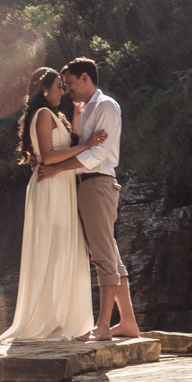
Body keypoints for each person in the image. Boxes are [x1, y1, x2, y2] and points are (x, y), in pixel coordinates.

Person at [0, 67, 108, 342]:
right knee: (52, 248)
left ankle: (60, 317)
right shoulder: (44, 114)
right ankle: (46, 319)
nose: (62, 92)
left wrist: (78, 119)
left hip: (61, 185)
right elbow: (47, 156)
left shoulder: (55, 115)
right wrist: (88, 144)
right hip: (50, 186)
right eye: (59, 86)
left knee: (64, 248)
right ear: (44, 90)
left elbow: (55, 150)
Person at [38, 57, 140, 341]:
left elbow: (97, 155)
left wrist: (57, 168)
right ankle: (128, 323)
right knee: (111, 255)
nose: (67, 89)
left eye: (69, 84)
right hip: (85, 186)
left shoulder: (106, 106)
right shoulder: (81, 110)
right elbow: (76, 146)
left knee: (102, 256)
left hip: (97, 184)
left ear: (85, 78)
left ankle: (104, 326)